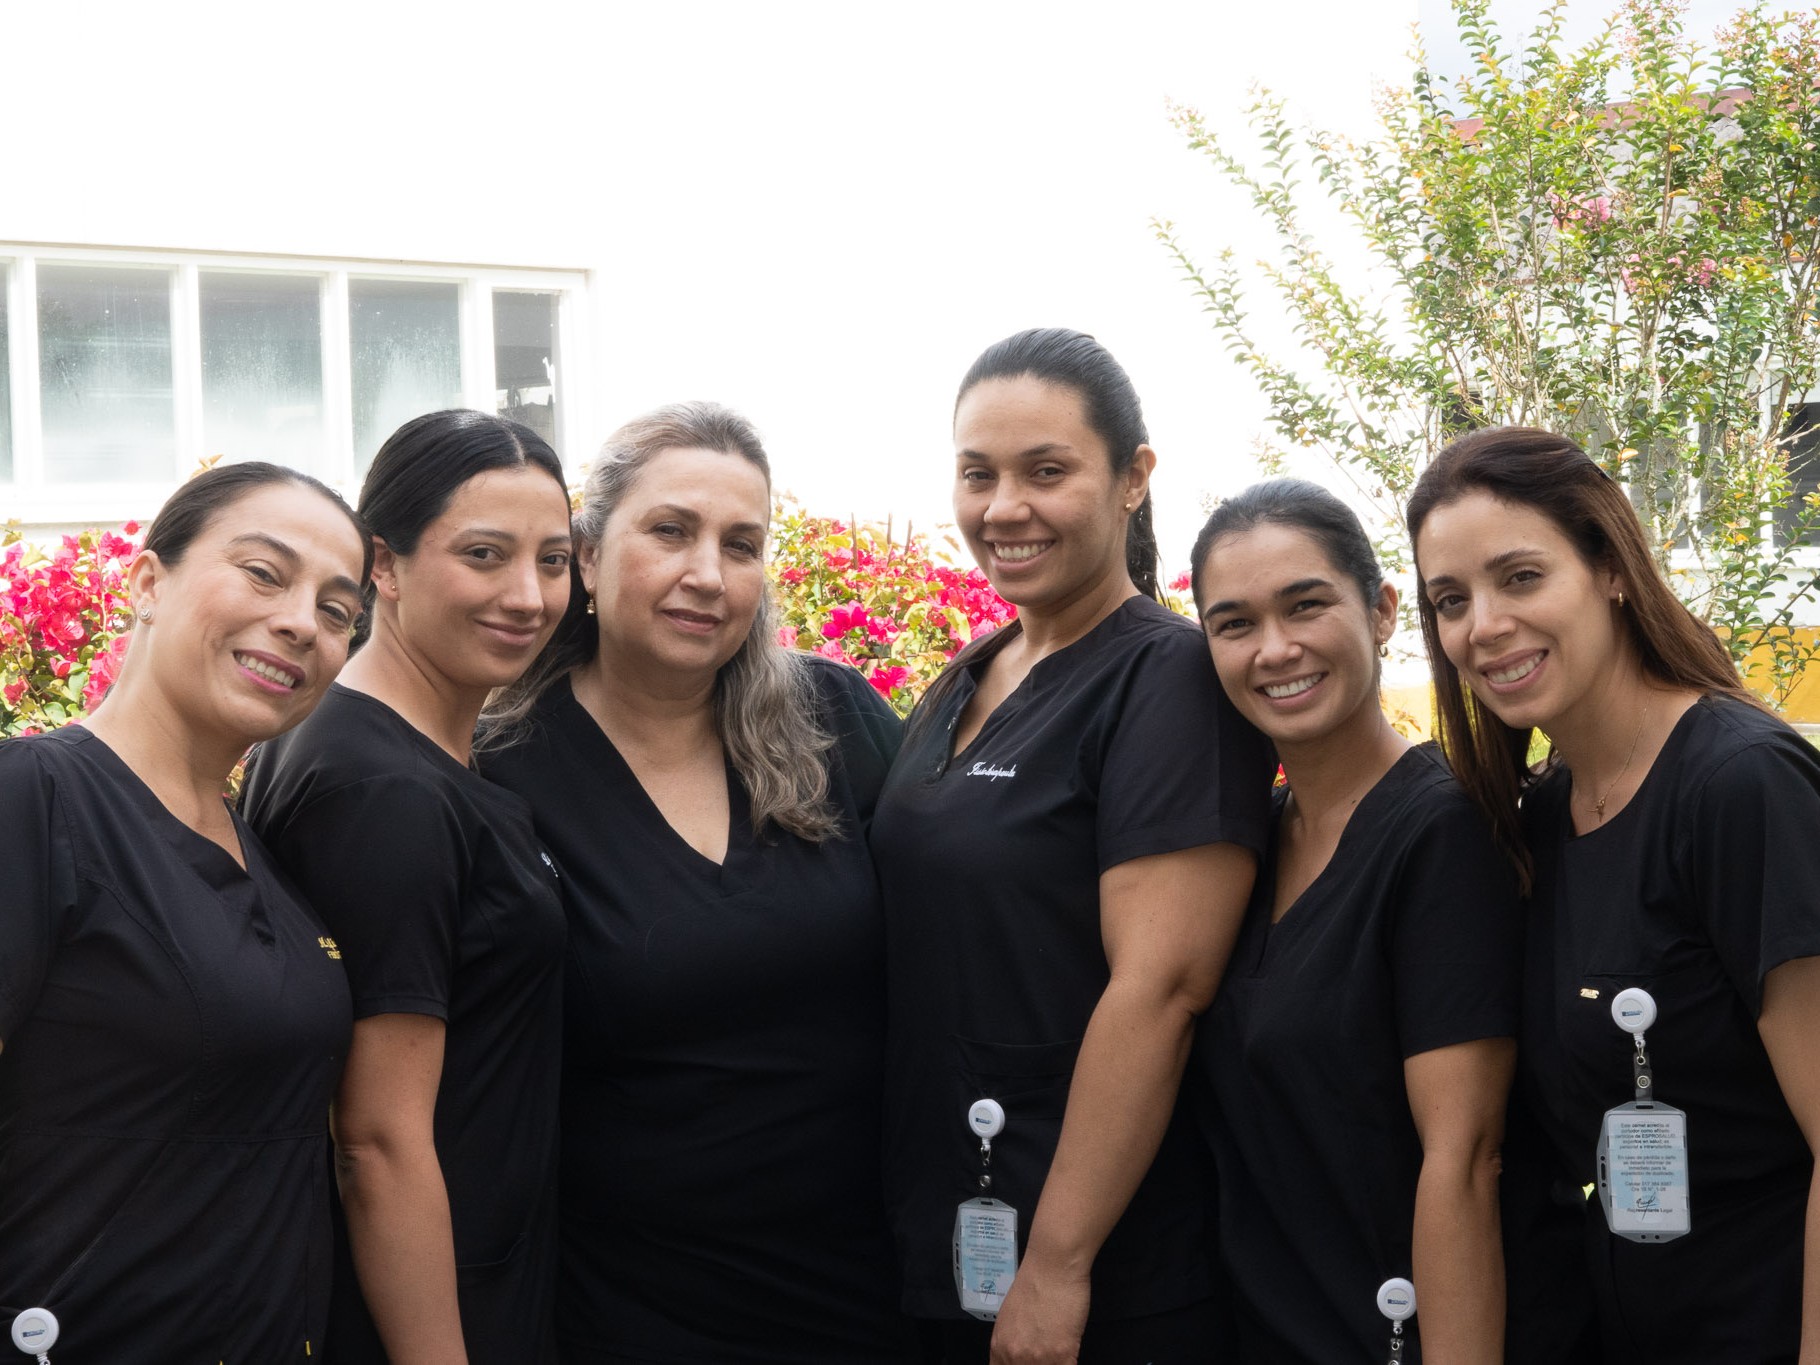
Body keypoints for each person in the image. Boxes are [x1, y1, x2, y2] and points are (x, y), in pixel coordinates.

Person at [478, 401, 916, 1363]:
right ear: (587, 556)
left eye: (742, 543)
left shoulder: (833, 719)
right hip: (631, 1308)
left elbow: (981, 897)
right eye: (670, 531)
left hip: (864, 1293)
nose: (708, 575)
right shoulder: (496, 767)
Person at [871, 328, 1270, 1365]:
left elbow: (1163, 988)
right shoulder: (966, 677)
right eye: (978, 474)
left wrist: (1057, 1265)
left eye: (1046, 471)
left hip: (1096, 1276)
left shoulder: (1168, 683)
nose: (1004, 508)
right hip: (943, 1234)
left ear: (1132, 477)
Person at [1408, 425, 1820, 1363]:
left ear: (1612, 569)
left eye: (1520, 577)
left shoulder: (1738, 787)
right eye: (1452, 600)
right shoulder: (1543, 812)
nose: (1484, 625)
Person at [0, 463, 369, 1360]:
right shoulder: (31, 801)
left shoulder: (273, 864)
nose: (299, 621)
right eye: (264, 572)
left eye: (336, 611)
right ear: (147, 582)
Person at [241, 410, 573, 1364]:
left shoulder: (407, 747)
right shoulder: (385, 789)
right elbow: (374, 1139)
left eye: (553, 561)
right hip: (430, 1305)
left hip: (484, 1272)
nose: (527, 595)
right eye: (484, 554)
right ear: (383, 565)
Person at [1189, 478, 1524, 1363]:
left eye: (1306, 605)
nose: (1275, 648)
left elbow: (1467, 1161)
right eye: (1234, 624)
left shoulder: (1442, 832)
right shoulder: (1245, 844)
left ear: (1380, 610)